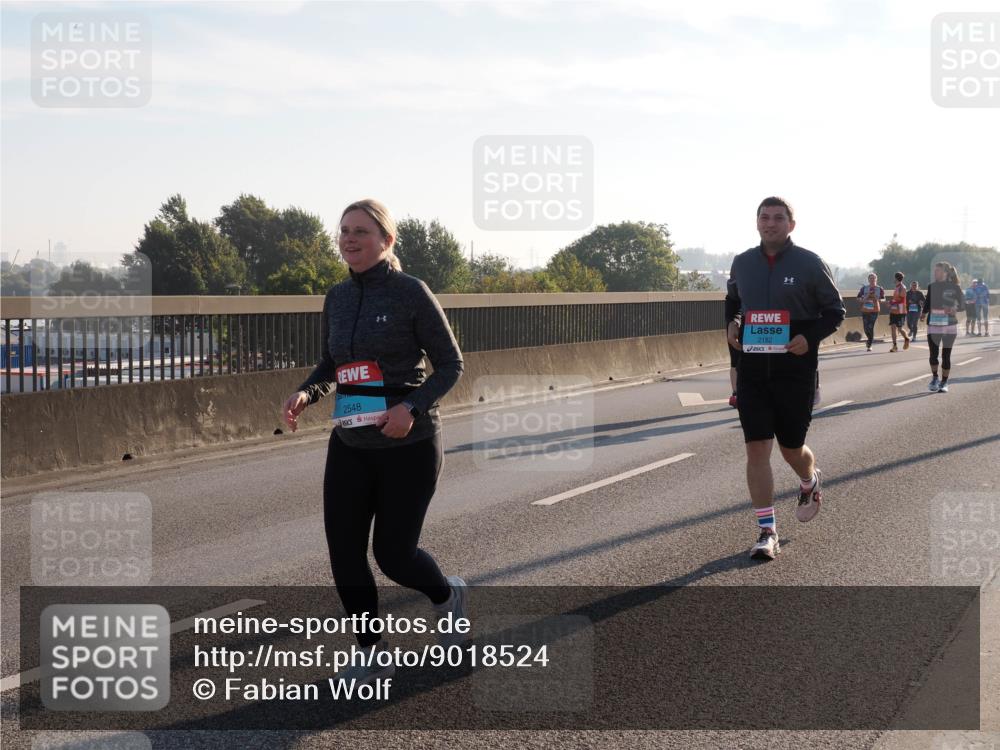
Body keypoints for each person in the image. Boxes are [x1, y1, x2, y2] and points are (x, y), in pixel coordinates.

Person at [282, 198, 467, 685]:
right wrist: (308, 391)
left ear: (386, 241)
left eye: (361, 231)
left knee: (393, 556)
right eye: (344, 230)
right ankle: (370, 648)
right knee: (344, 552)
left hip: (409, 442)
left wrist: (410, 408)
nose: (349, 238)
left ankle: (447, 595)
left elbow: (451, 365)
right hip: (351, 442)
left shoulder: (411, 292)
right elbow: (332, 365)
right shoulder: (337, 298)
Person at [726, 197, 845, 560]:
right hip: (753, 369)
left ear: (791, 225)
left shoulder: (809, 263)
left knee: (791, 448)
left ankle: (810, 480)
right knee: (756, 448)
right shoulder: (743, 262)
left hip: (795, 368)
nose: (770, 223)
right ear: (756, 222)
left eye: (778, 218)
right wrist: (732, 326)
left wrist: (808, 339)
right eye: (764, 217)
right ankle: (767, 530)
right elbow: (733, 304)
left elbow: (835, 311)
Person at [920, 261, 963, 393]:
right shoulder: (931, 286)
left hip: (949, 326)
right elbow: (927, 303)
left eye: (938, 270)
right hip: (933, 325)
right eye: (935, 270)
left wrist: (954, 308)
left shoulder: (954, 287)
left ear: (945, 272)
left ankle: (944, 382)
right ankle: (935, 378)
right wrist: (923, 314)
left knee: (946, 355)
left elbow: (963, 304)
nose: (935, 272)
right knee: (933, 355)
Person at [857, 273, 884, 351]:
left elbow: (883, 299)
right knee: (866, 328)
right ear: (868, 280)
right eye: (870, 278)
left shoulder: (879, 289)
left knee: (870, 327)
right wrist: (864, 298)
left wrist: (878, 299)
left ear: (876, 279)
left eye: (873, 278)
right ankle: (869, 340)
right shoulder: (864, 288)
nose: (872, 280)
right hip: (865, 310)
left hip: (874, 310)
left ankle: (869, 344)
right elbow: (858, 298)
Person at [887, 271, 911, 352]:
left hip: (901, 311)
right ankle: (895, 346)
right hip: (894, 310)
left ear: (896, 278)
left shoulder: (902, 287)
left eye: (894, 278)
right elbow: (896, 299)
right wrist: (891, 303)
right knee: (893, 327)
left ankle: (906, 338)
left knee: (900, 328)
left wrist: (891, 302)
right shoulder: (897, 287)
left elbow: (901, 299)